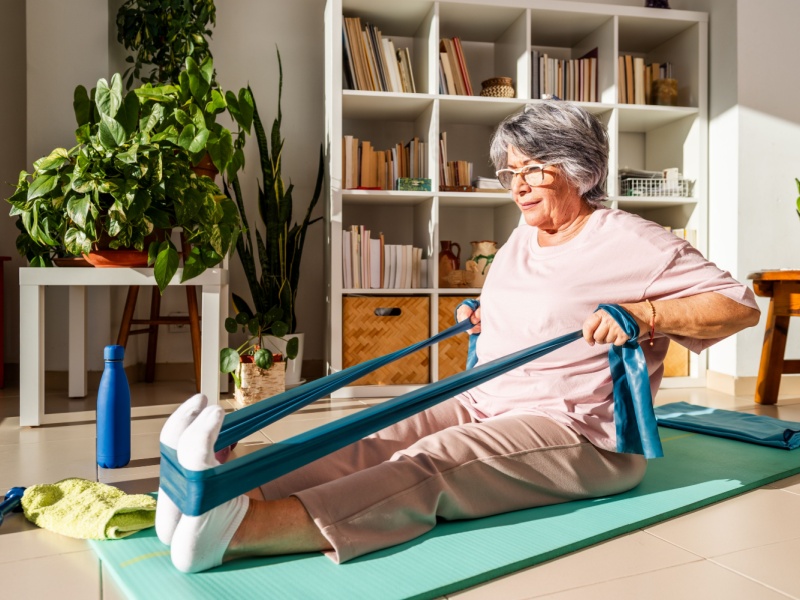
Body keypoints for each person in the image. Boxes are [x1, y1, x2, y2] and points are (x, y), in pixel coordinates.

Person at [158, 101, 761, 573]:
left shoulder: (633, 239)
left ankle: (243, 533)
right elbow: (545, 302)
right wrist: (488, 311)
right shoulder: (526, 235)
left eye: (533, 169)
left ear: (578, 168)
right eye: (511, 171)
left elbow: (738, 307)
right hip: (485, 399)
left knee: (431, 464)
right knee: (378, 433)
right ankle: (225, 494)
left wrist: (645, 314)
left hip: (580, 432)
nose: (518, 184)